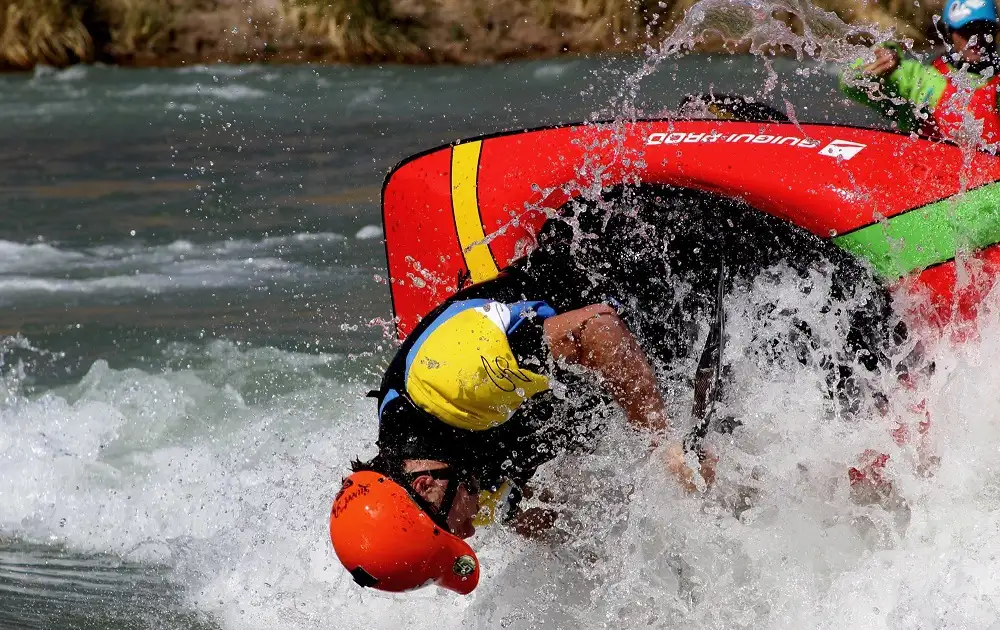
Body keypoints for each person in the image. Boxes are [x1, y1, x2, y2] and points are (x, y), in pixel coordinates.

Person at [329, 184, 900, 595]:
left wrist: (662, 443)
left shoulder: (451, 383)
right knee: (707, 489)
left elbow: (596, 330)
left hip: (651, 252)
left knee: (858, 355)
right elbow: (538, 517)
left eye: (452, 531)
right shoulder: (443, 470)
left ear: (425, 486)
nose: (468, 532)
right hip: (631, 347)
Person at [840, 0, 1000, 145]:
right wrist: (878, 60)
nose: (977, 39)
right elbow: (849, 82)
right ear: (949, 33)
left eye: (986, 29)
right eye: (968, 30)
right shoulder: (922, 78)